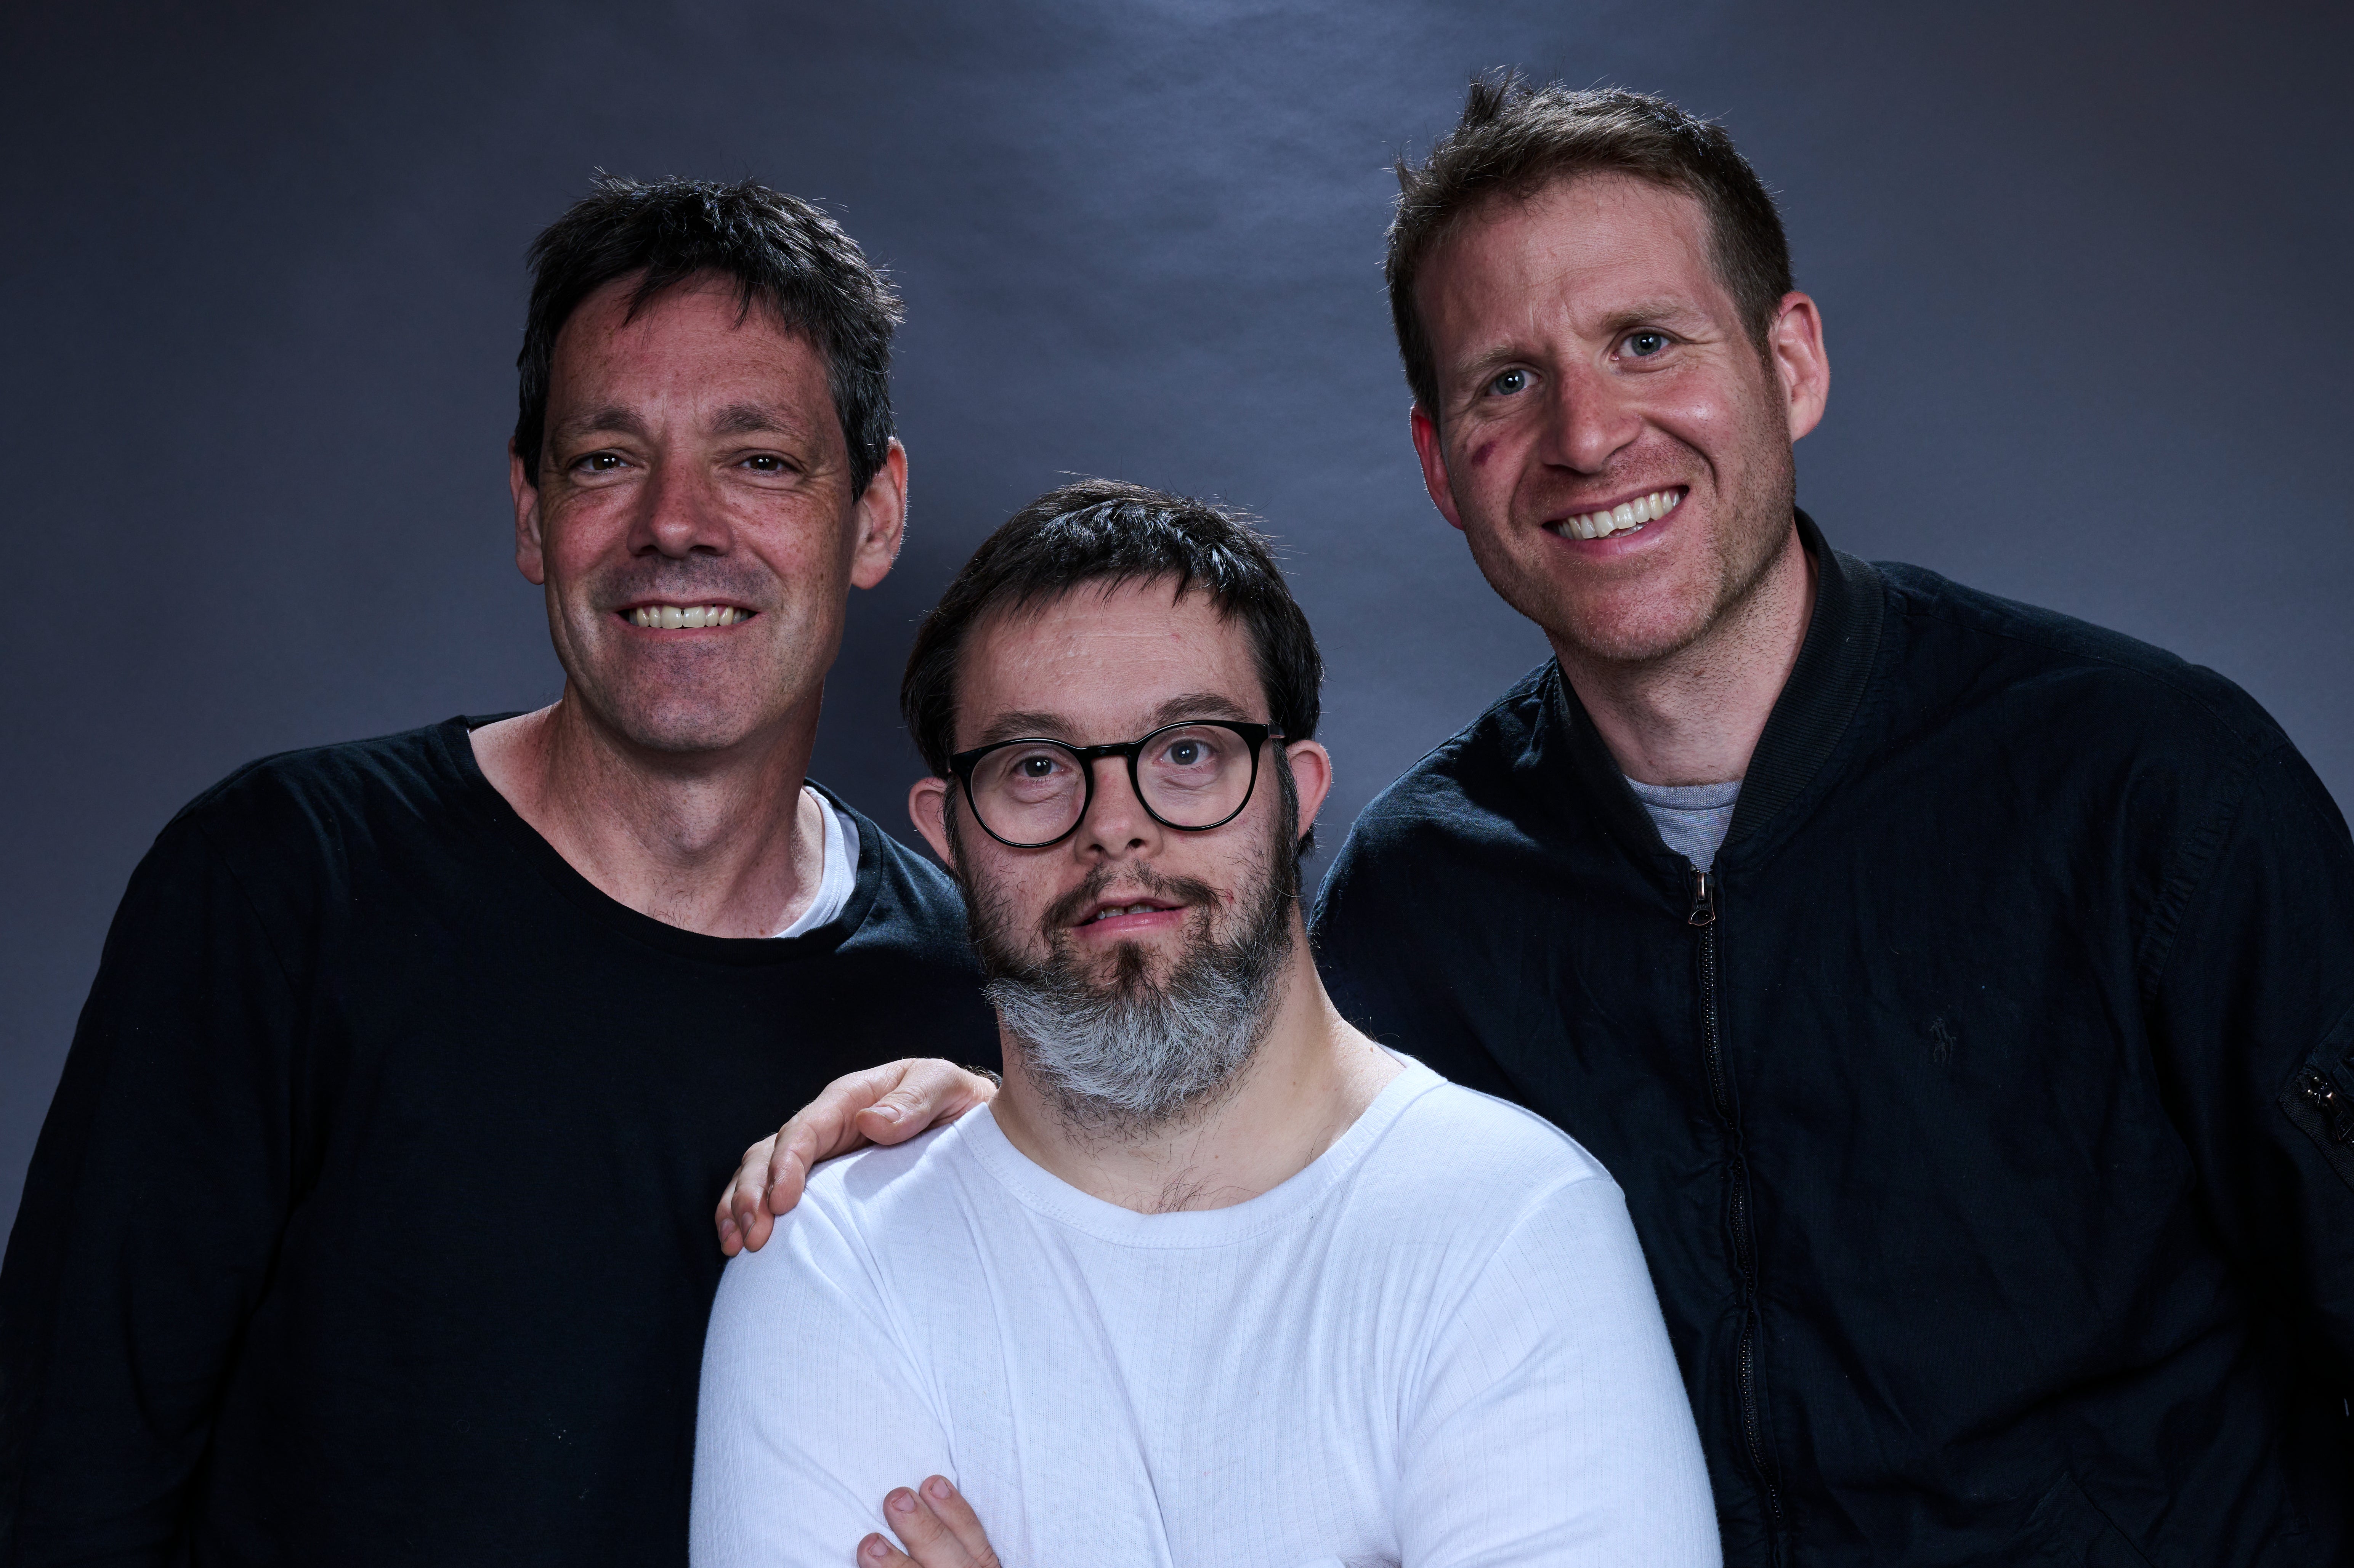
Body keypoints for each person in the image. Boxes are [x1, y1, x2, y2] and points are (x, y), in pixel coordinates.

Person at [724, 80, 2354, 1564]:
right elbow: (1246, 1124)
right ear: (1441, 464)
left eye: (1646, 341)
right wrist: (997, 1108)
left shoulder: (2148, 795)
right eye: (1509, 380)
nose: (1587, 436)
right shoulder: (1428, 893)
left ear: (1786, 361)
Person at [0, 176, 996, 1563]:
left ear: (874, 515)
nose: (676, 523)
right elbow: (61, 1489)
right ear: (533, 514)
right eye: (605, 458)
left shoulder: (960, 1011)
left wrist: (1017, 1128)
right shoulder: (284, 890)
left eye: (758, 457)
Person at [690, 480, 1719, 1568]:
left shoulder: (1514, 1228)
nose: (1116, 826)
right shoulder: (837, 1262)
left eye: (1187, 751)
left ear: (1297, 792)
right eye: (1036, 767)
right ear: (951, 831)